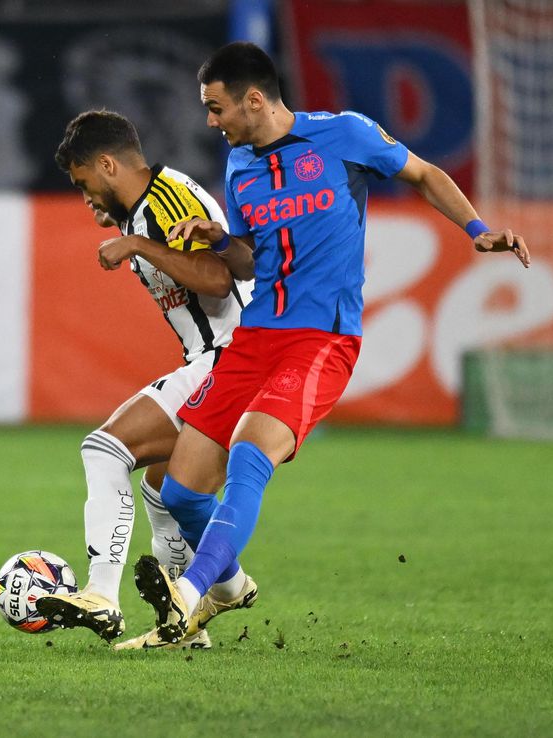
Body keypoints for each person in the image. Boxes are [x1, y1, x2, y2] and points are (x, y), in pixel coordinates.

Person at [131, 42, 531, 644]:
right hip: (254, 338)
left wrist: (476, 230)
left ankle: (184, 600)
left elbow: (423, 172)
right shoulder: (239, 167)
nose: (210, 122)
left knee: (249, 453)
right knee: (182, 490)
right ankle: (231, 587)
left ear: (255, 99)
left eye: (216, 108)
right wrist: (217, 238)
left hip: (320, 340)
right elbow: (245, 262)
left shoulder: (344, 135)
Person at [35, 109, 258, 650]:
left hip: (234, 355)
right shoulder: (140, 212)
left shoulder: (166, 201)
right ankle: (205, 607)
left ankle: (100, 594)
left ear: (108, 164)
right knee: (163, 493)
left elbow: (220, 275)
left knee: (105, 449)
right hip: (217, 359)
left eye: (85, 183)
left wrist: (139, 246)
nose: (86, 198)